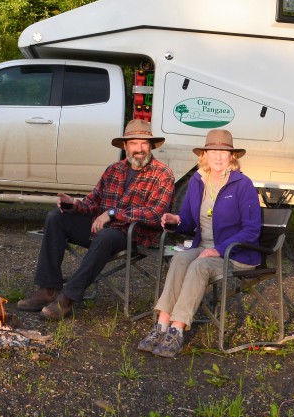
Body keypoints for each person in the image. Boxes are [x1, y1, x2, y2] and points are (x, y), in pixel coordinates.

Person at [17, 119, 175, 320]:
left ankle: (66, 299)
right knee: (55, 217)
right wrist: (72, 205)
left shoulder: (162, 174)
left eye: (144, 143)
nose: (140, 149)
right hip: (101, 229)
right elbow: (92, 203)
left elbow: (155, 214)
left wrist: (112, 214)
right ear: (125, 145)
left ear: (151, 146)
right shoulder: (113, 170)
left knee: (106, 236)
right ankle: (48, 289)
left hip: (134, 234)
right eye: (134, 143)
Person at [136, 129, 261, 357]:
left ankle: (177, 330)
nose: (218, 156)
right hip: (203, 248)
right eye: (213, 151)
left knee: (199, 266)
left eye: (223, 152)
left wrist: (218, 249)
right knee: (180, 258)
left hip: (235, 254)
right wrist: (175, 221)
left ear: (232, 156)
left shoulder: (243, 184)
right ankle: (161, 325)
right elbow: (189, 221)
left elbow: (252, 229)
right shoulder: (197, 180)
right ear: (204, 154)